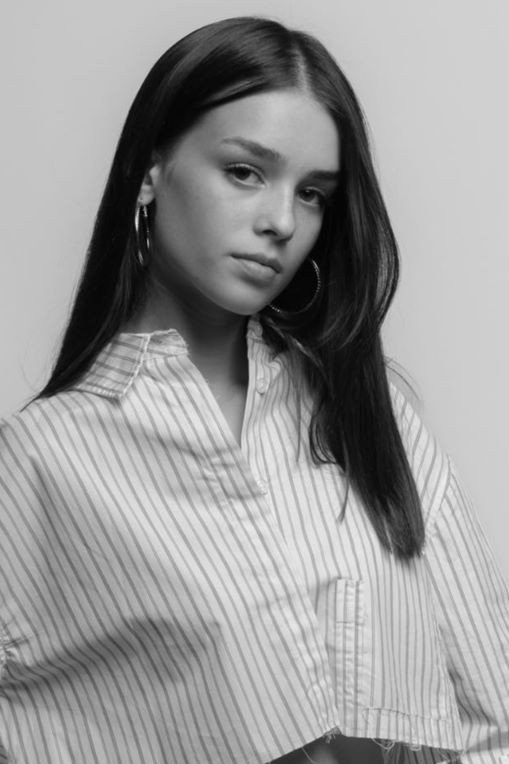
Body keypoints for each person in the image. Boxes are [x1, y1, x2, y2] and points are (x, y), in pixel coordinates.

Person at [0, 15, 508, 764]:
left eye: (313, 194)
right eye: (244, 171)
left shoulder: (367, 413)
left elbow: (491, 710)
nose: (281, 221)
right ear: (151, 171)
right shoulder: (38, 461)